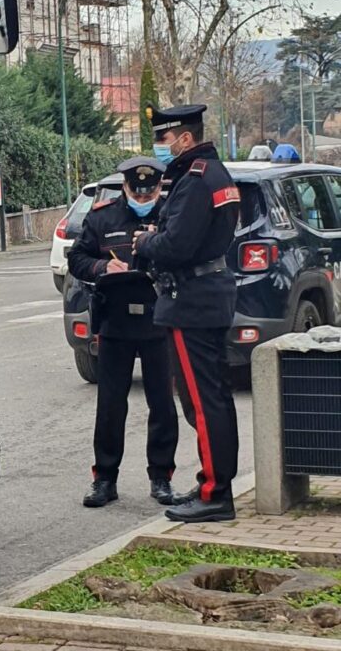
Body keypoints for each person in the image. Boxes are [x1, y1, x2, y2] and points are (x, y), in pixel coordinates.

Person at [133, 104, 240, 523]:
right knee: (211, 398)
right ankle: (214, 481)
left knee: (201, 401)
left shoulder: (196, 180)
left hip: (192, 299)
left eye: (163, 138)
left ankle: (215, 493)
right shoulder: (212, 174)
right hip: (205, 295)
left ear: (184, 138)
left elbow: (177, 245)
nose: (160, 146)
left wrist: (145, 243)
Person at [69, 157, 179, 509]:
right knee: (111, 405)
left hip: (159, 319)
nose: (143, 197)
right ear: (126, 187)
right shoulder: (103, 217)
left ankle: (161, 478)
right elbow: (78, 259)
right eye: (136, 190)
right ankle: (104, 478)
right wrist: (103, 266)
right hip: (115, 320)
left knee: (162, 403)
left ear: (160, 188)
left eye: (150, 191)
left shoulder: (172, 217)